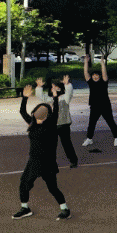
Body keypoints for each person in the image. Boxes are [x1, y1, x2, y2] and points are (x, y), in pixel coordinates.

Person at [14, 84, 71, 220]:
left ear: (47, 116)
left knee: (52, 188)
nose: (39, 117)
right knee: (24, 183)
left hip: (47, 163)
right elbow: (22, 111)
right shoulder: (32, 123)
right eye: (38, 114)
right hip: (33, 161)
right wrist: (24, 98)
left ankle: (65, 209)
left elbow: (56, 111)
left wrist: (55, 97)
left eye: (43, 114)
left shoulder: (51, 126)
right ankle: (25, 208)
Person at [35, 75, 77, 169]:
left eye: (56, 86)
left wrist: (67, 84)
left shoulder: (65, 98)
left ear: (60, 88)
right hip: (52, 125)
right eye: (52, 87)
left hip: (64, 125)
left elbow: (69, 93)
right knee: (51, 145)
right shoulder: (49, 99)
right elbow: (40, 97)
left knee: (67, 144)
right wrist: (39, 87)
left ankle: (73, 160)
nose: (53, 88)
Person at [82, 56, 117, 147]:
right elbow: (86, 73)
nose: (95, 77)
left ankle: (116, 138)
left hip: (105, 105)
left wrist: (102, 63)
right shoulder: (91, 83)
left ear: (99, 76)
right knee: (92, 123)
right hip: (94, 106)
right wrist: (86, 62)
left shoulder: (104, 82)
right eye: (93, 75)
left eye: (97, 75)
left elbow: (104, 74)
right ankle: (89, 139)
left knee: (110, 121)